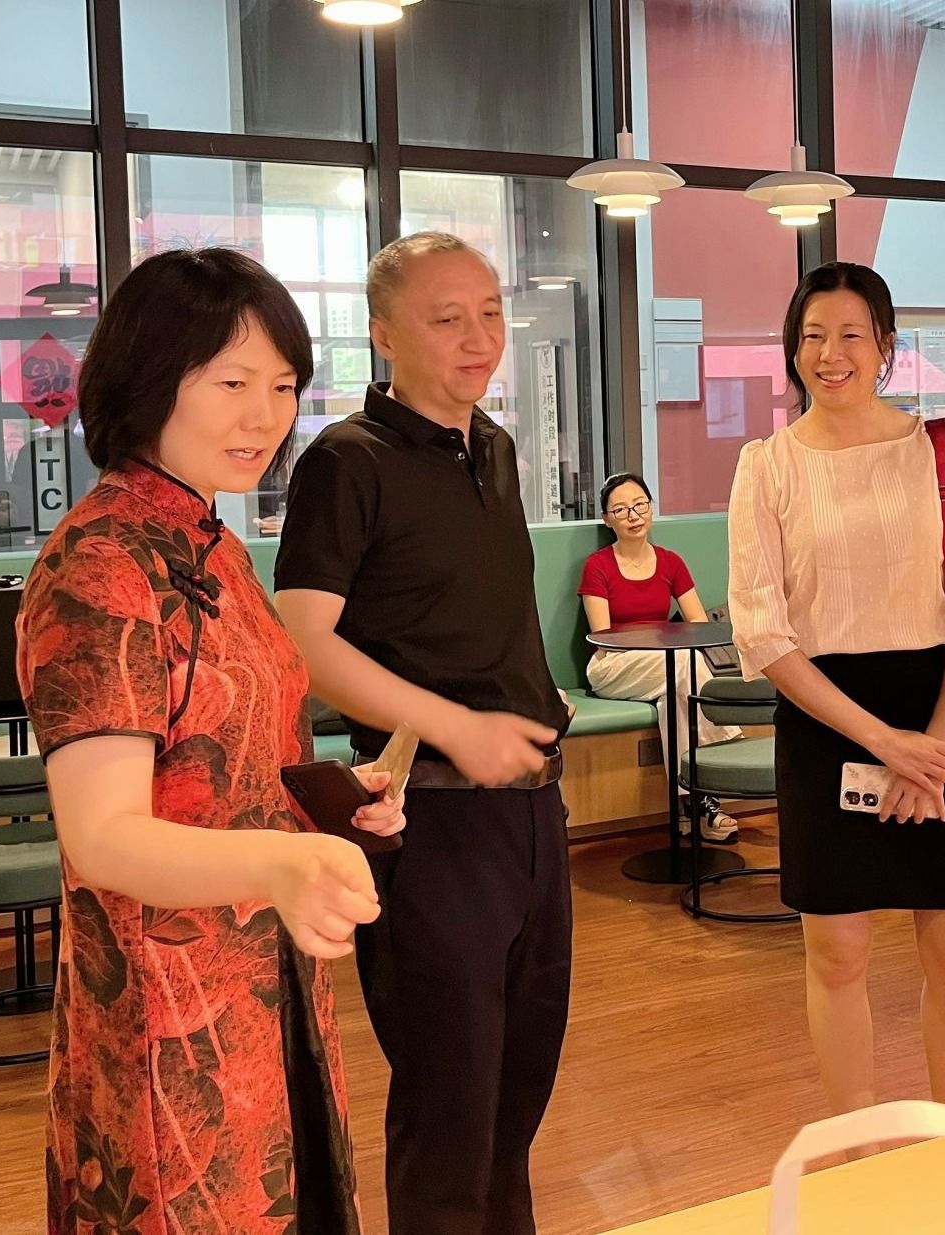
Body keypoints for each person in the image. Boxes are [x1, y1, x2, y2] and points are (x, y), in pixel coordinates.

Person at [16, 247, 405, 1234]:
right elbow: (101, 835)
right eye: (233, 383)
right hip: (166, 1010)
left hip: (268, 983)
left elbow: (226, 758)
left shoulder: (214, 543)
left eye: (282, 386)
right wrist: (281, 860)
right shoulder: (101, 562)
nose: (263, 416)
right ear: (150, 378)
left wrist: (332, 802)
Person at [273, 231, 571, 1235]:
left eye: (490, 312)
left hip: (533, 813)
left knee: (516, 1103)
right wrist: (458, 726)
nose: (478, 337)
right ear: (383, 333)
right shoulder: (345, 460)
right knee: (449, 1114)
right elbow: (302, 641)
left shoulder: (495, 445)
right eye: (447, 318)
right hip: (429, 820)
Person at [728, 261, 945, 1118]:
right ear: (793, 349)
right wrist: (886, 744)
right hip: (826, 719)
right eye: (812, 336)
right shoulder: (766, 465)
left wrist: (933, 746)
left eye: (851, 334)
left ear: (886, 345)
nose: (831, 353)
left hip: (937, 711)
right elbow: (762, 632)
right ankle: (853, 1154)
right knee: (837, 958)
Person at [579, 470, 744, 843]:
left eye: (640, 505)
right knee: (682, 665)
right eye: (621, 510)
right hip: (614, 666)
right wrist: (660, 644)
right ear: (607, 519)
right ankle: (723, 749)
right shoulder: (598, 566)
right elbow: (604, 639)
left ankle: (692, 805)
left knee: (676, 693)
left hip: (667, 666)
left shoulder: (670, 562)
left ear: (651, 508)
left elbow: (699, 625)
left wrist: (668, 645)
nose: (633, 515)